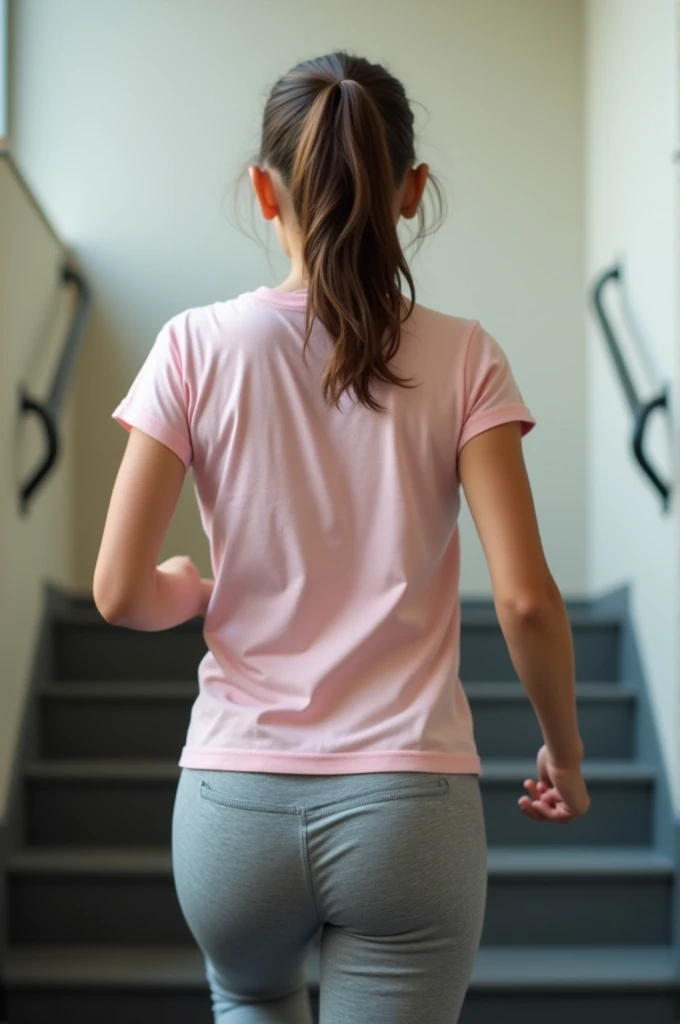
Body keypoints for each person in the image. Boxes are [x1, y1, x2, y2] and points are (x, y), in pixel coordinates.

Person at [94, 51, 590, 1024]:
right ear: (410, 191)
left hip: (230, 804)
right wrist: (562, 756)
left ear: (261, 190)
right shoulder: (465, 356)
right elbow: (526, 597)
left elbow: (117, 591)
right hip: (405, 806)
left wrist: (192, 587)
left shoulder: (192, 345)